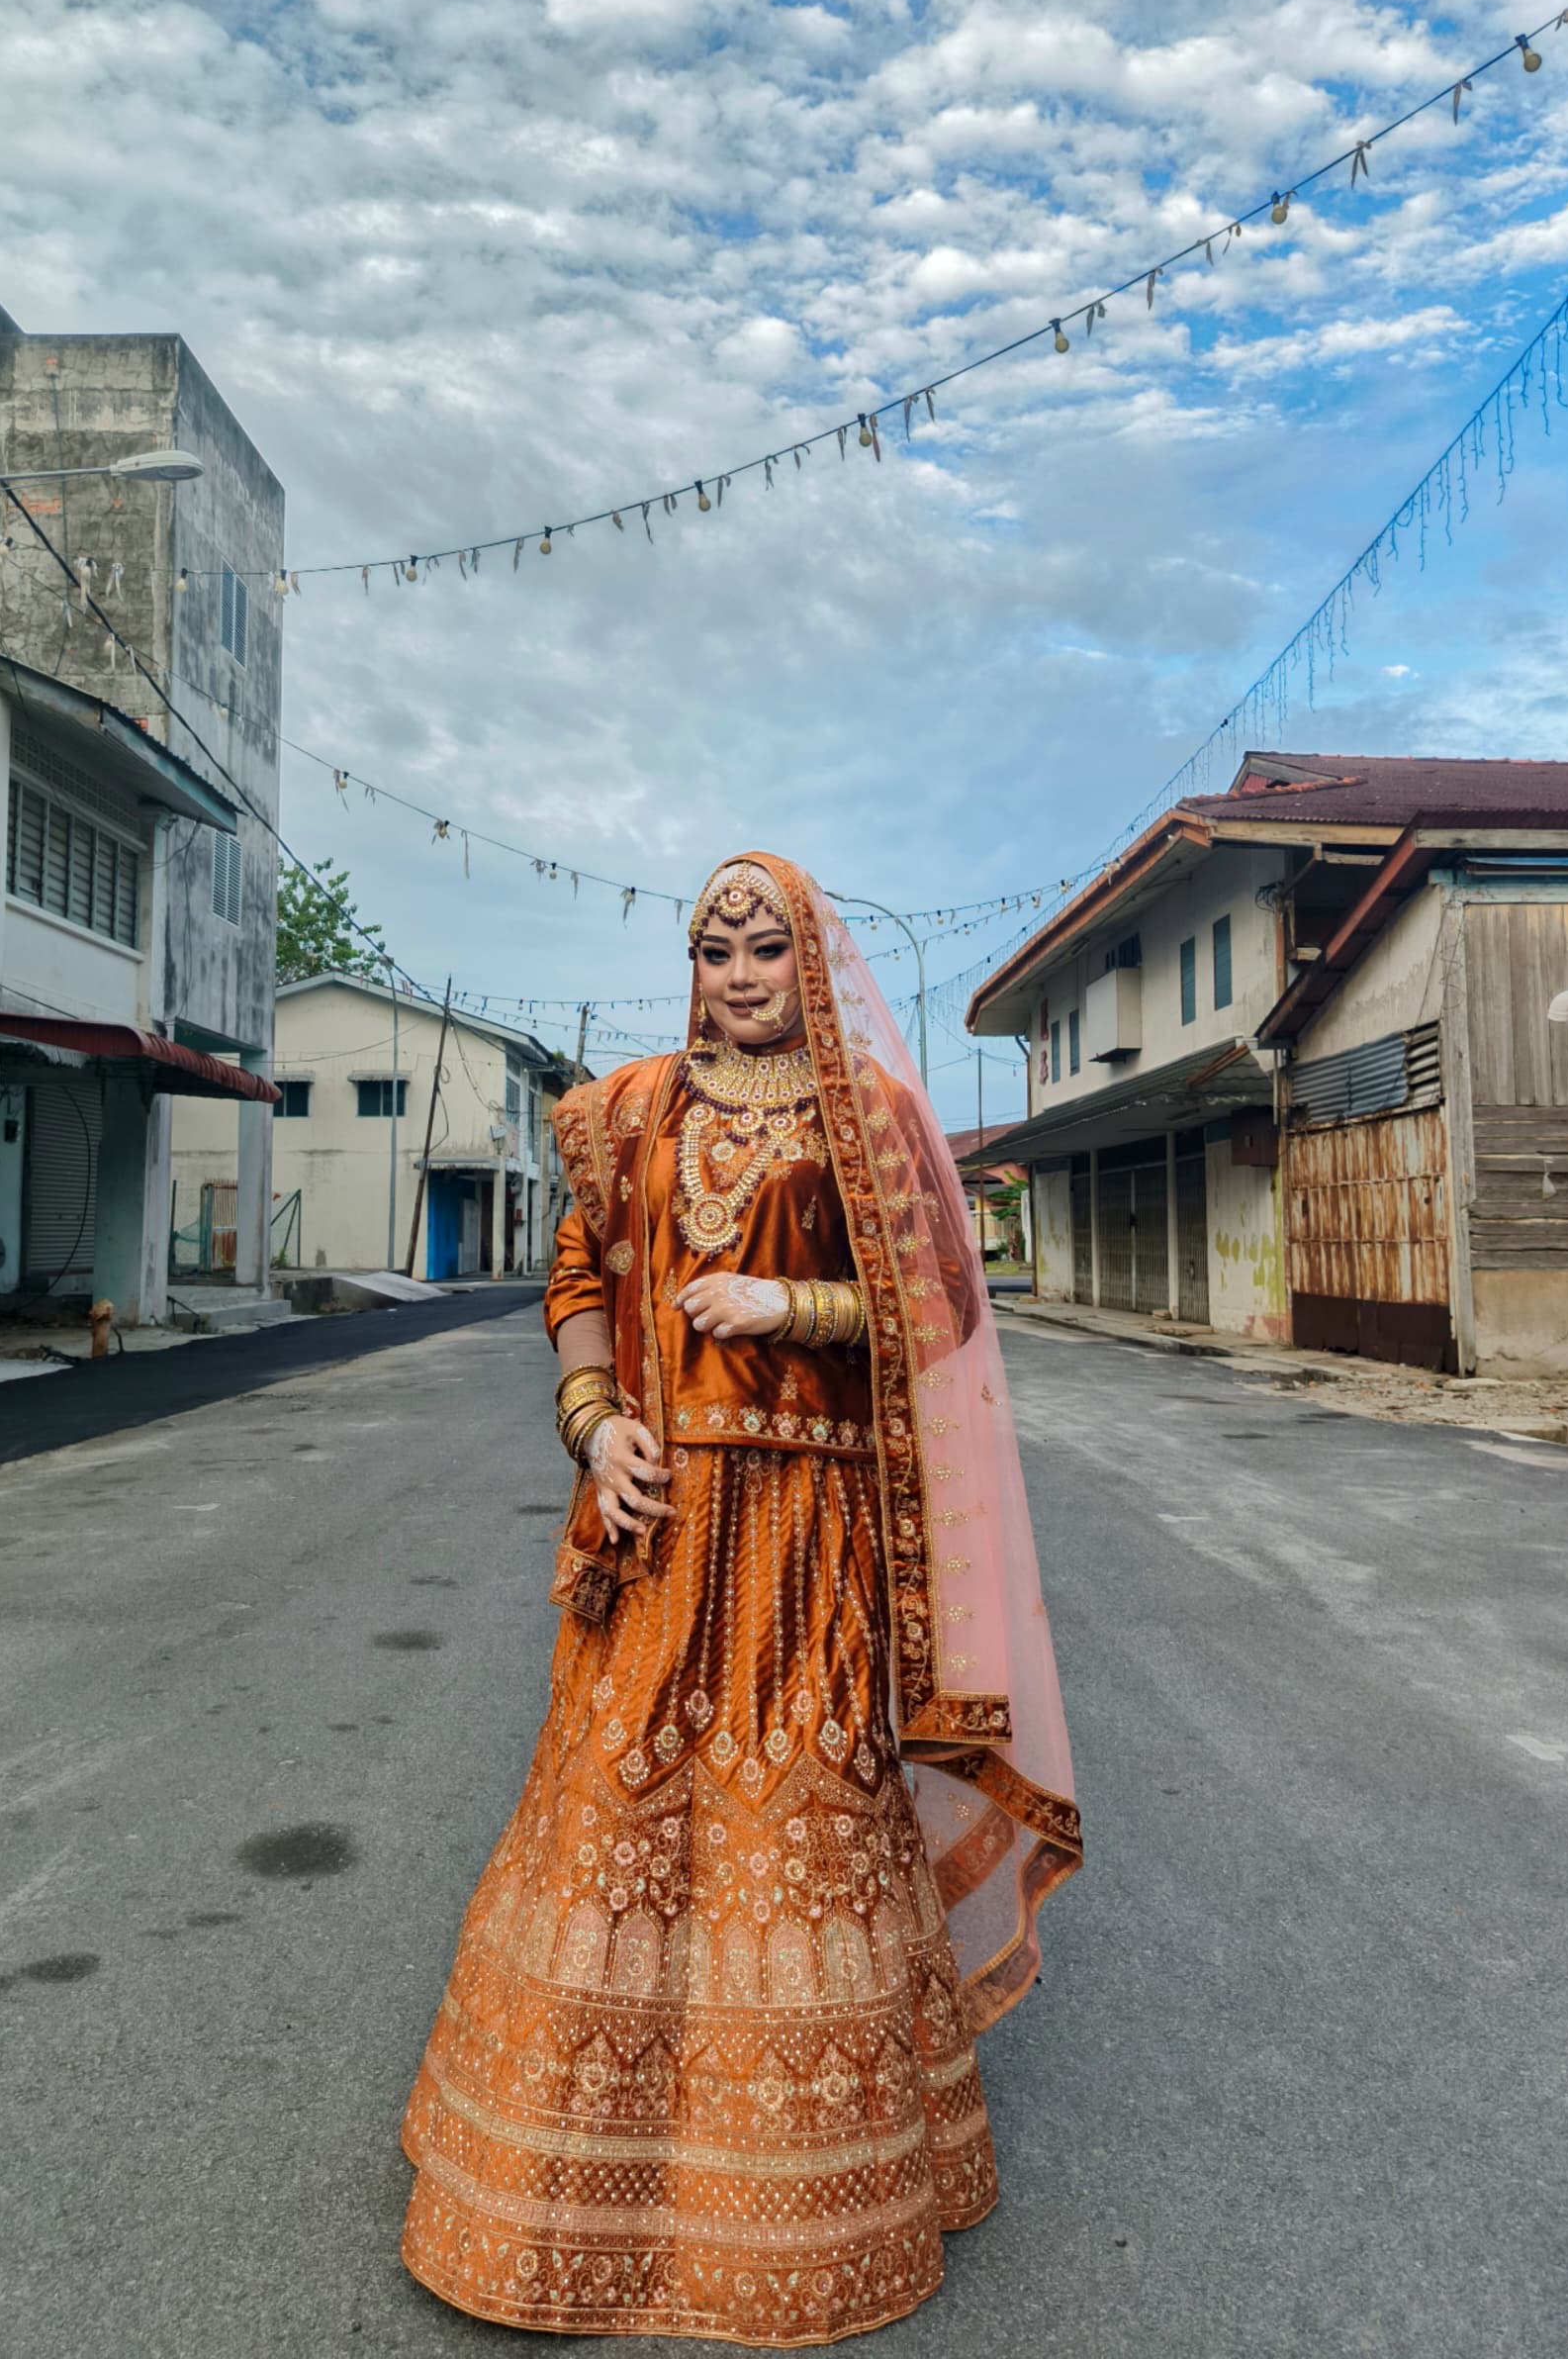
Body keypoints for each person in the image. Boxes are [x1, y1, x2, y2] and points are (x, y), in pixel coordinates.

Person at [401, 852, 1081, 2344]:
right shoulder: (637, 1107)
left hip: (806, 1530)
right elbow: (580, 1267)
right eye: (714, 951)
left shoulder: (874, 1119)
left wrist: (797, 1307)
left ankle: (800, 2194)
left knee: (800, 1815)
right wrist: (596, 1422)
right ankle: (569, 2199)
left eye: (766, 949)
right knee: (616, 1813)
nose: (738, 975)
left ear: (812, 964)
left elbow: (946, 1302)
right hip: (655, 1519)